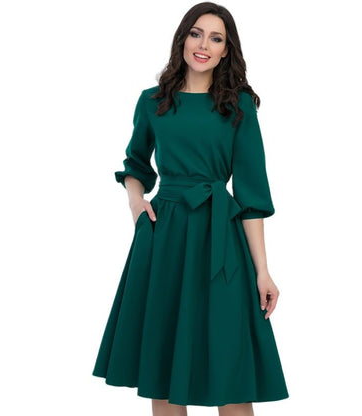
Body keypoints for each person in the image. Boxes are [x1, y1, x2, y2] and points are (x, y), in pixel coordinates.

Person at [92, 2, 289, 415]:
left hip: (220, 239)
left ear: (225, 51)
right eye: (196, 34)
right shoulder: (152, 102)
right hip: (164, 236)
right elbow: (135, 164)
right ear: (182, 38)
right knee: (162, 369)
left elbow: (252, 196)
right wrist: (136, 202)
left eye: (216, 39)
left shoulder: (238, 106)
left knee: (230, 372)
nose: (203, 45)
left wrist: (263, 271)